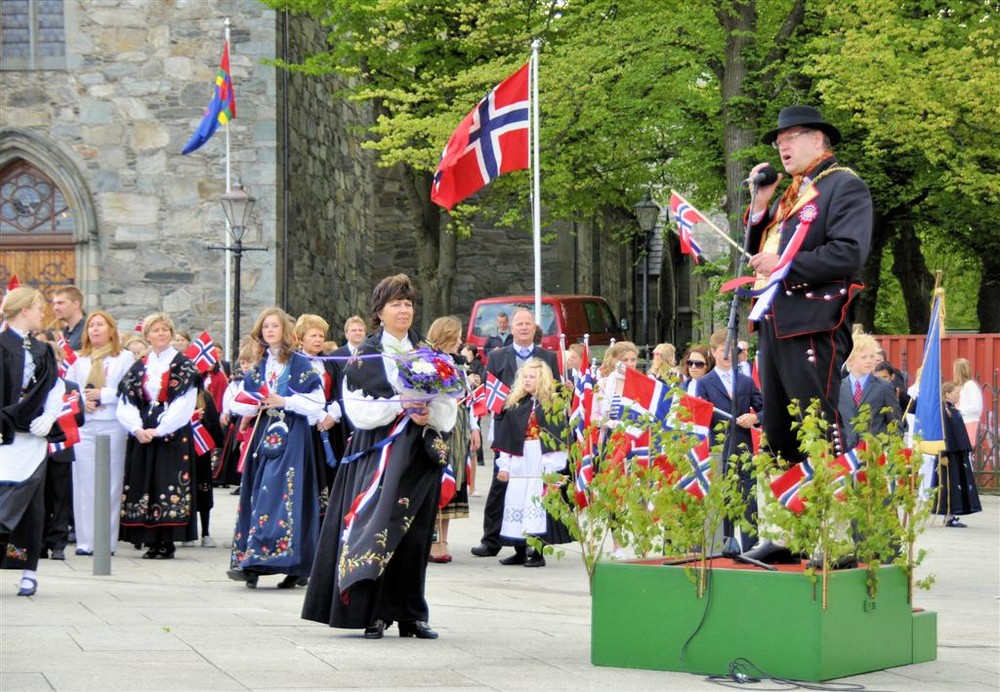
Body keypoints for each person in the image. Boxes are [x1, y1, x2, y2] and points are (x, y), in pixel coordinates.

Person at [741, 105, 873, 564]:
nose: (782, 144)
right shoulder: (788, 196)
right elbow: (765, 252)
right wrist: (760, 209)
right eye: (779, 138)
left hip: (815, 322)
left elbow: (848, 253)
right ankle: (785, 532)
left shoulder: (843, 185)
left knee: (818, 424)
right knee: (778, 430)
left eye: (793, 135)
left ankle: (835, 538)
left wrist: (786, 267)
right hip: (775, 320)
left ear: (820, 140)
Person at [302, 274, 457, 640]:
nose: (403, 310)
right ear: (379, 311)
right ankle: (372, 612)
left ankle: (410, 613)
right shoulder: (365, 355)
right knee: (376, 528)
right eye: (395, 304)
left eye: (408, 303)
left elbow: (448, 403)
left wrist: (427, 414)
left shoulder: (428, 350)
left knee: (417, 533)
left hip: (418, 453)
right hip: (379, 453)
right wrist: (398, 406)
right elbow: (356, 408)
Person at [227, 308, 326, 589]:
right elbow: (238, 402)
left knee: (286, 494)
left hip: (292, 433)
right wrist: (254, 402)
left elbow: (317, 403)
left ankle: (294, 563)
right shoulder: (260, 365)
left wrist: (285, 401)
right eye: (265, 326)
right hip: (263, 433)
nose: (270, 330)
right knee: (259, 492)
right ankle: (253, 559)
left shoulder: (300, 364)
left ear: (285, 329)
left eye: (275, 326)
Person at [471, 306, 558, 559]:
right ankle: (492, 539)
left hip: (536, 431)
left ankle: (533, 544)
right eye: (519, 324)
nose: (523, 327)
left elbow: (555, 391)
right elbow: (490, 391)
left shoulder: (548, 357)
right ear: (511, 329)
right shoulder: (498, 356)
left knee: (534, 488)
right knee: (501, 484)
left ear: (534, 328)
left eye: (528, 324)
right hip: (507, 428)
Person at [0, 287, 67, 596]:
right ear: (25, 310)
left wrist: (51, 416)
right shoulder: (1, 345)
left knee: (31, 505)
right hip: (5, 436)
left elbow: (56, 386)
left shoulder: (42, 350)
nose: (44, 313)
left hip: (33, 438)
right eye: (40, 307)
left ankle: (28, 569)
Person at [116, 312, 198, 560]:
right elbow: (127, 399)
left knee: (167, 481)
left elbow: (184, 403)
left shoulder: (184, 365)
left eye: (165, 330)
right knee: (144, 481)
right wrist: (136, 427)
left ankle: (166, 541)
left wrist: (161, 429)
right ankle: (149, 538)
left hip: (171, 431)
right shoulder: (140, 365)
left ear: (171, 334)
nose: (161, 334)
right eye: (156, 330)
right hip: (143, 427)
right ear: (147, 335)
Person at [65, 310, 135, 556]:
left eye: (100, 325)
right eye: (91, 326)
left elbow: (130, 391)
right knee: (83, 483)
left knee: (109, 484)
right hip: (86, 426)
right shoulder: (80, 359)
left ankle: (105, 541)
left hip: (111, 424)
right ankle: (85, 541)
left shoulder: (124, 358)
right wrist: (83, 401)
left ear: (111, 330)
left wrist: (103, 395)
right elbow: (69, 390)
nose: (94, 329)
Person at [493, 358, 571, 567]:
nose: (527, 380)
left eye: (532, 377)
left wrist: (552, 467)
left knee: (535, 502)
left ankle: (536, 551)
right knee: (516, 500)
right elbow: (507, 436)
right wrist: (505, 465)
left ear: (542, 378)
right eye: (525, 376)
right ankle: (519, 550)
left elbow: (557, 438)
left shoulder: (552, 404)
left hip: (540, 457)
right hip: (520, 458)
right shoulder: (517, 403)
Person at [694, 329, 763, 551]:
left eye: (731, 351)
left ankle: (752, 546)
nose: (728, 356)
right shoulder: (704, 382)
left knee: (748, 499)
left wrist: (754, 417)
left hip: (744, 448)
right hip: (720, 449)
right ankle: (726, 545)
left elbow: (764, 408)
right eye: (723, 351)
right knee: (724, 498)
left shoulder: (744, 381)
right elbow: (700, 416)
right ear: (713, 352)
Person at [426, 316, 478, 564]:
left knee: (453, 479)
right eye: (456, 336)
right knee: (438, 475)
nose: (460, 342)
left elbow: (467, 398)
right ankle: (432, 538)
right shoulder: (428, 360)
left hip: (458, 425)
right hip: (437, 425)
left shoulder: (458, 362)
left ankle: (443, 538)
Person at [837, 332, 901, 449]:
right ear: (850, 360)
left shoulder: (884, 387)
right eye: (863, 357)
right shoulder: (838, 388)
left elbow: (895, 425)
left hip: (876, 456)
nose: (869, 361)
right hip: (846, 458)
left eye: (872, 356)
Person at [932, 382, 982, 527]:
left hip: (957, 453)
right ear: (947, 394)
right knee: (950, 483)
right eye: (956, 392)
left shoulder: (952, 409)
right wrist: (943, 454)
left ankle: (952, 514)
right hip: (949, 454)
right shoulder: (943, 411)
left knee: (956, 483)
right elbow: (943, 434)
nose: (958, 395)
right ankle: (948, 515)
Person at [952, 358, 982, 445]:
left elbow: (976, 407)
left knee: (966, 450)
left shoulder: (970, 385)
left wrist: (957, 409)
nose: (953, 372)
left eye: (955, 370)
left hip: (969, 422)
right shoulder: (964, 386)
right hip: (964, 421)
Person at [51, 285, 86, 351]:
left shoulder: (88, 330)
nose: (55, 308)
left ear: (76, 304)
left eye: (60, 303)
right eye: (54, 304)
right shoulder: (65, 331)